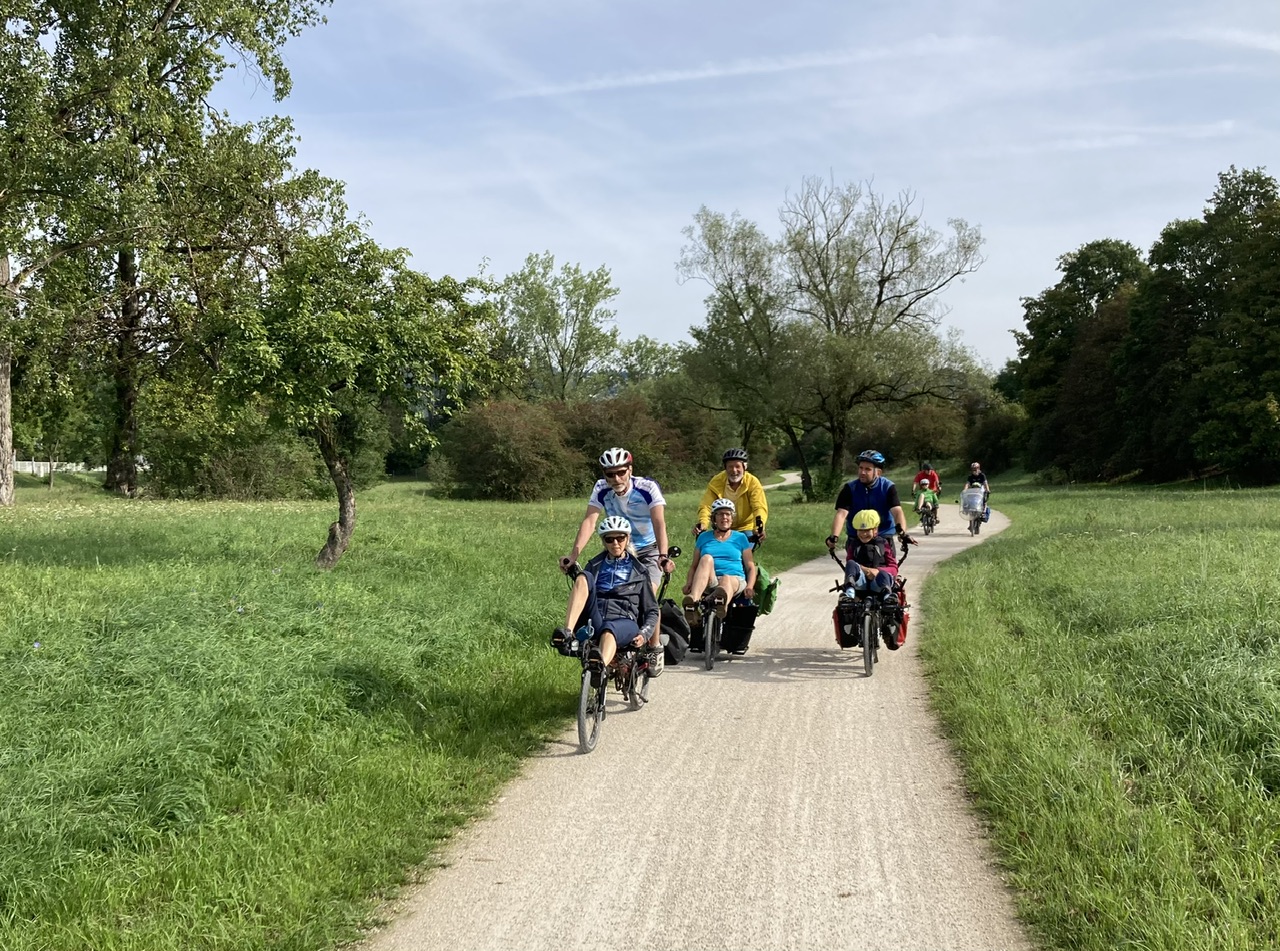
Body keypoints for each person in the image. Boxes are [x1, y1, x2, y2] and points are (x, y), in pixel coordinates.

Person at [561, 447, 672, 675]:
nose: (616, 478)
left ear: (630, 470)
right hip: (617, 543)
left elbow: (659, 523)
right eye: (610, 474)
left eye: (621, 472)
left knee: (648, 594)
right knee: (602, 588)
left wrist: (663, 555)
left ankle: (654, 647)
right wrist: (573, 556)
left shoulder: (647, 487)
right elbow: (590, 522)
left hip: (647, 549)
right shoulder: (601, 488)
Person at [552, 516, 659, 687]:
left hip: (624, 620)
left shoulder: (640, 571)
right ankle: (567, 633)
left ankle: (598, 667)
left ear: (627, 539)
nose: (615, 543)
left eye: (620, 538)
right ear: (603, 541)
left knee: (609, 630)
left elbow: (652, 610)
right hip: (597, 616)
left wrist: (644, 634)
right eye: (610, 539)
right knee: (583, 577)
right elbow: (584, 589)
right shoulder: (594, 565)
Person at [826, 449, 917, 558]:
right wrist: (834, 537)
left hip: (883, 536)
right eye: (861, 468)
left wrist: (903, 534)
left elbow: (897, 512)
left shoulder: (887, 487)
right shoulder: (850, 488)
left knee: (887, 567)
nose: (862, 472)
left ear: (878, 472)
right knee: (853, 567)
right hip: (856, 537)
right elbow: (841, 514)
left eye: (867, 469)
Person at [682, 498, 757, 626]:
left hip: (735, 579)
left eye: (728, 514)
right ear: (714, 518)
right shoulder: (703, 537)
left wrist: (750, 586)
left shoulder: (740, 538)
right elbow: (694, 566)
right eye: (720, 514)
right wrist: (689, 583)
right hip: (711, 579)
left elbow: (750, 567)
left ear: (732, 518)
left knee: (726, 578)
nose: (724, 517)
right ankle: (693, 603)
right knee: (706, 558)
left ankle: (721, 604)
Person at [693, 448, 769, 541]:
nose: (734, 470)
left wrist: (758, 527)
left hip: (745, 527)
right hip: (722, 526)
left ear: (744, 467)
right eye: (730, 467)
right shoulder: (716, 482)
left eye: (737, 466)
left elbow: (759, 507)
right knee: (711, 548)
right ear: (725, 468)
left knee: (745, 549)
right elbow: (706, 506)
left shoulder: (752, 482)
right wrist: (703, 524)